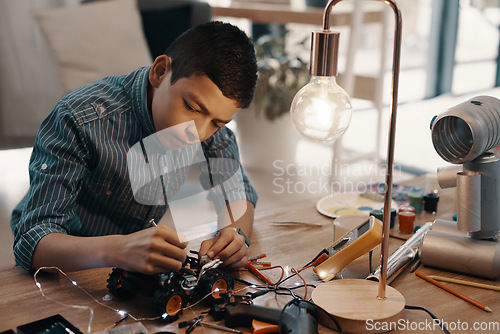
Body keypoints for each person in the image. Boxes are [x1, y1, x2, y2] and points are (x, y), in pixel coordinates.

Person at [10, 21, 258, 274]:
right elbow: (32, 241)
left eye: (217, 122)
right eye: (193, 108)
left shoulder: (209, 129)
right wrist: (119, 250)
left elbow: (237, 192)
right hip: (66, 261)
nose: (199, 133)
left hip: (130, 263)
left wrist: (234, 234)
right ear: (160, 73)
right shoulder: (78, 119)